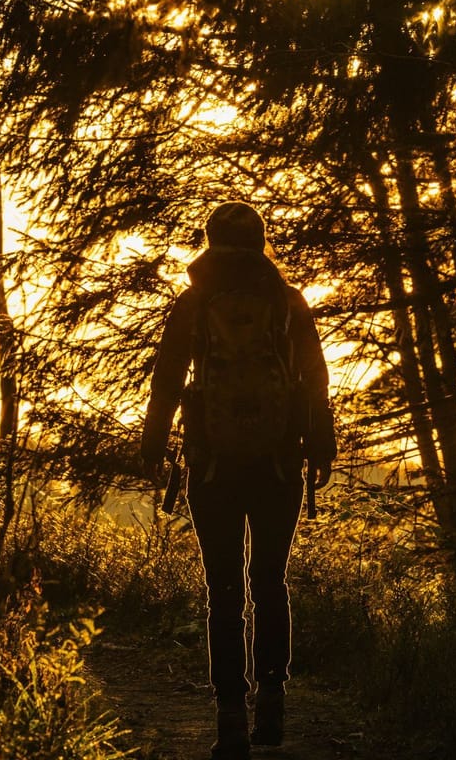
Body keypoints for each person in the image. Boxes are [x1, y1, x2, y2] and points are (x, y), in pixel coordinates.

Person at [140, 201, 336, 757]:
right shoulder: (287, 299)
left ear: (210, 240)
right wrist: (320, 443)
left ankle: (230, 716)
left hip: (211, 463)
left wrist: (154, 444)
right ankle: (272, 699)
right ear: (260, 241)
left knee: (222, 591)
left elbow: (167, 376)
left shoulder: (195, 302)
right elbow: (315, 375)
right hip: (279, 461)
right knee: (270, 584)